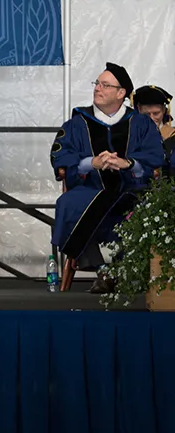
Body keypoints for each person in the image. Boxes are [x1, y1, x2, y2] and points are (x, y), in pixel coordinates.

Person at [50, 63, 165, 293]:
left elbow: (156, 156)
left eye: (105, 85)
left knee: (143, 207)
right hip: (90, 186)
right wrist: (90, 163)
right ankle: (104, 269)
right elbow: (60, 154)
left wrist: (128, 163)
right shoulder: (77, 123)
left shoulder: (141, 123)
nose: (97, 89)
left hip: (131, 188)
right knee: (69, 204)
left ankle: (126, 269)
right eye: (97, 84)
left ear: (121, 93)